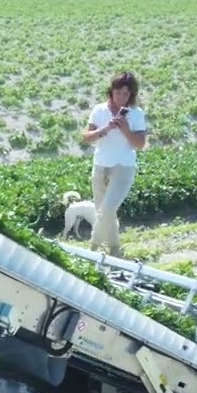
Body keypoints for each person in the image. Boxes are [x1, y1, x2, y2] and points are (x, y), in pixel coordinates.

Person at [81, 71, 148, 257]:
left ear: (131, 95)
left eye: (126, 94)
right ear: (111, 91)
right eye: (119, 92)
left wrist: (125, 128)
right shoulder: (99, 110)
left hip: (123, 166)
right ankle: (115, 248)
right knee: (102, 211)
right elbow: (86, 138)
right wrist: (106, 128)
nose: (122, 97)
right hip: (101, 165)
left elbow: (140, 144)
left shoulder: (136, 114)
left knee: (108, 209)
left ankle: (93, 247)